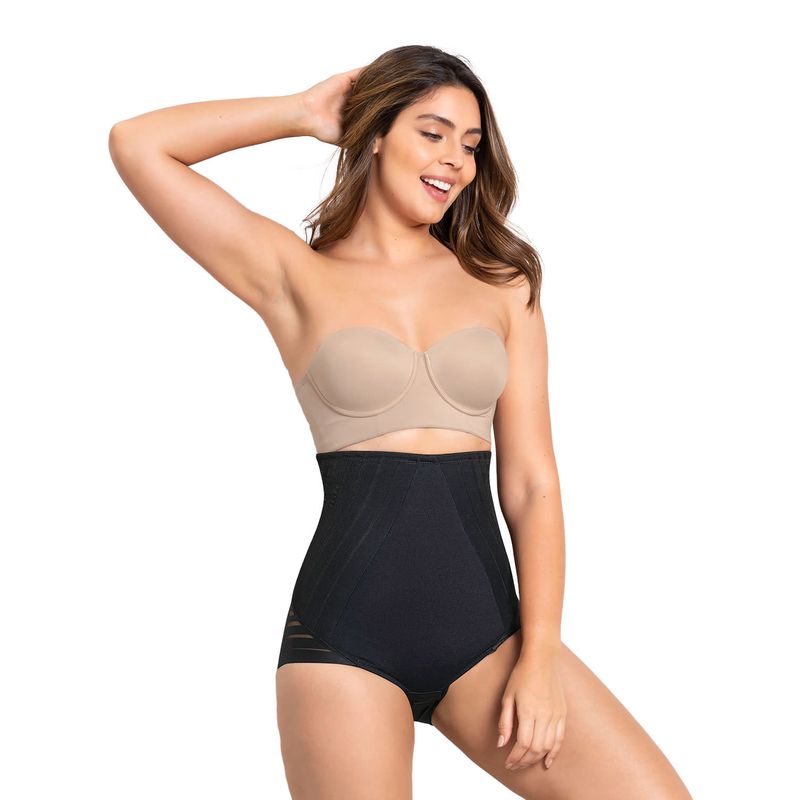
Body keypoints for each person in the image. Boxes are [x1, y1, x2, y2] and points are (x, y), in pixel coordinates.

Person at [109, 44, 692, 800]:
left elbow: (531, 483)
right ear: (377, 134)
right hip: (344, 639)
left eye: (470, 144)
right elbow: (138, 143)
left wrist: (541, 656)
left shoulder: (502, 282)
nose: (455, 159)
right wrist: (301, 112)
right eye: (432, 132)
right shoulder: (294, 273)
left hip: (490, 636)